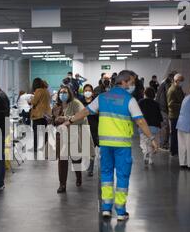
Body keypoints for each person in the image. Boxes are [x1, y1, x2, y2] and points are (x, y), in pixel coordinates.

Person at [66, 70, 158, 221]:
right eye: (132, 82)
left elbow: (85, 112)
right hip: (122, 145)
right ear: (124, 82)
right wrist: (152, 138)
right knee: (122, 176)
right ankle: (121, 211)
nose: (133, 85)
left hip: (106, 145)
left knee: (106, 175)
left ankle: (106, 208)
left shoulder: (102, 98)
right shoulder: (129, 100)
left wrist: (69, 121)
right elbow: (140, 121)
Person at [52, 85, 93, 193]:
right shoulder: (57, 105)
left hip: (74, 134)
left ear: (69, 93)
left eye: (65, 92)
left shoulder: (75, 103)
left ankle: (78, 177)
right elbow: (54, 120)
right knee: (62, 160)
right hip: (61, 135)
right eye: (61, 92)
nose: (62, 94)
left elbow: (82, 117)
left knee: (76, 159)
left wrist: (65, 118)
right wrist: (53, 120)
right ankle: (62, 185)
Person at [138, 87, 163, 166]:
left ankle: (146, 153)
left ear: (145, 94)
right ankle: (150, 159)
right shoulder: (156, 104)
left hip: (143, 126)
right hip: (155, 126)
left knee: (144, 142)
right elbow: (159, 116)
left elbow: (137, 114)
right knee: (152, 143)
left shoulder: (141, 102)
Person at [80, 84, 99, 176]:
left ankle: (90, 168)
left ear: (92, 92)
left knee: (92, 149)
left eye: (89, 90)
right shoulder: (80, 102)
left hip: (94, 128)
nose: (87, 92)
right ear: (83, 92)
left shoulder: (96, 102)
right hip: (83, 127)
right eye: (85, 90)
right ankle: (87, 164)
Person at [156, 71, 177, 150]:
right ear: (172, 78)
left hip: (162, 108)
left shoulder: (164, 83)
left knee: (165, 127)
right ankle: (163, 144)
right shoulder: (167, 84)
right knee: (165, 127)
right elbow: (168, 97)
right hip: (163, 108)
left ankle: (164, 143)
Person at [30, 78, 51, 153]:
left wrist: (30, 100)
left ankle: (35, 148)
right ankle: (46, 147)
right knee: (45, 131)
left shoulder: (38, 90)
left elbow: (34, 102)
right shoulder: (47, 91)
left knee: (36, 132)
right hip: (46, 114)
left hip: (38, 114)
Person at [167, 73, 185, 156]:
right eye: (181, 81)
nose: (182, 83)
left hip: (179, 115)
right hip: (174, 115)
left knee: (177, 133)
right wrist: (181, 105)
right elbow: (170, 104)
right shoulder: (172, 90)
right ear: (176, 81)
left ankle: (176, 149)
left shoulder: (179, 88)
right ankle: (173, 150)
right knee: (174, 133)